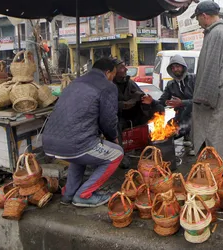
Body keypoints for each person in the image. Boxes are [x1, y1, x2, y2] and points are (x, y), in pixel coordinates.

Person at [42, 57, 123, 207]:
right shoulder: (107, 86)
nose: (113, 78)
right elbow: (109, 119)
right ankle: (83, 195)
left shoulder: (75, 82)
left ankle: (68, 194)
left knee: (80, 155)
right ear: (108, 72)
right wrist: (114, 137)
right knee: (116, 154)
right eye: (113, 74)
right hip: (74, 143)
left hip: (49, 142)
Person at [191, 1, 223, 174]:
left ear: (204, 15)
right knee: (221, 130)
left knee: (213, 132)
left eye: (198, 18)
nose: (198, 22)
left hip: (216, 95)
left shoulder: (216, 33)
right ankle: (222, 169)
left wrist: (203, 99)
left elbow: (211, 69)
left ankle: (220, 173)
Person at [113, 60, 164, 168]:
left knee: (158, 108)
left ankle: (153, 144)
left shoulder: (129, 82)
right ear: (114, 71)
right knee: (115, 123)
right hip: (119, 117)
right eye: (122, 68)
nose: (126, 69)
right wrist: (128, 103)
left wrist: (146, 100)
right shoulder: (109, 85)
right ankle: (121, 155)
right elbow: (110, 105)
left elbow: (140, 95)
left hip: (135, 115)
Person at [158, 54, 196, 155]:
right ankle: (185, 137)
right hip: (180, 116)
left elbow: (199, 101)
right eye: (173, 67)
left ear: (183, 66)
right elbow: (162, 101)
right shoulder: (171, 84)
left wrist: (181, 103)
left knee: (193, 120)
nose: (175, 69)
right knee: (167, 130)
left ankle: (196, 144)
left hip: (196, 115)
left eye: (178, 66)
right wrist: (151, 102)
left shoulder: (193, 79)